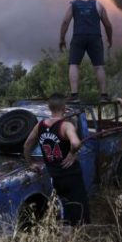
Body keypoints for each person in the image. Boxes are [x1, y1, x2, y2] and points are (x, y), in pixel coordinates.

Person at [23, 93, 90, 226]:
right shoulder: (65, 126)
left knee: (64, 212)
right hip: (71, 176)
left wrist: (30, 163)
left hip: (55, 176)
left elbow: (27, 145)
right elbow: (76, 143)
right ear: (64, 107)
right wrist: (71, 153)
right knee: (75, 214)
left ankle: (64, 239)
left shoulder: (40, 125)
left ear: (49, 108)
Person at [59, 0, 113, 102]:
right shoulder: (98, 5)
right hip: (95, 37)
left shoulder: (73, 4)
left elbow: (65, 22)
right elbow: (108, 25)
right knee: (99, 66)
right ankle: (103, 96)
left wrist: (62, 39)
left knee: (74, 65)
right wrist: (109, 39)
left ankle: (74, 95)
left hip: (78, 36)